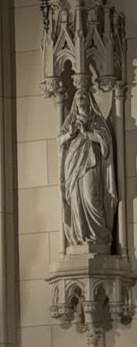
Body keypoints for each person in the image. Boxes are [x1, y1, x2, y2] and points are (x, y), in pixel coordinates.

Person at [58, 87, 115, 248]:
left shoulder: (95, 119)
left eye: (83, 98)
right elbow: (59, 141)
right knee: (75, 199)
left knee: (91, 197)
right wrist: (70, 133)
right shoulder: (70, 121)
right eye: (78, 98)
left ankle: (99, 236)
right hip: (73, 165)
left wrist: (86, 132)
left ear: (89, 101)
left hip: (91, 163)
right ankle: (80, 237)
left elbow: (105, 140)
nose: (80, 101)